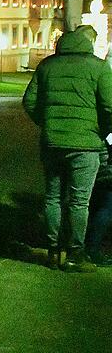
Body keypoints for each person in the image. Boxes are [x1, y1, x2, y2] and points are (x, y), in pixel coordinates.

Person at [23, 27, 112, 272]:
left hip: (52, 143)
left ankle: (53, 251)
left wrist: (48, 123)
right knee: (79, 202)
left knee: (53, 198)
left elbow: (29, 101)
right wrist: (99, 131)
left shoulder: (47, 66)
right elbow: (110, 107)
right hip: (86, 146)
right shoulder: (99, 67)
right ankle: (74, 255)